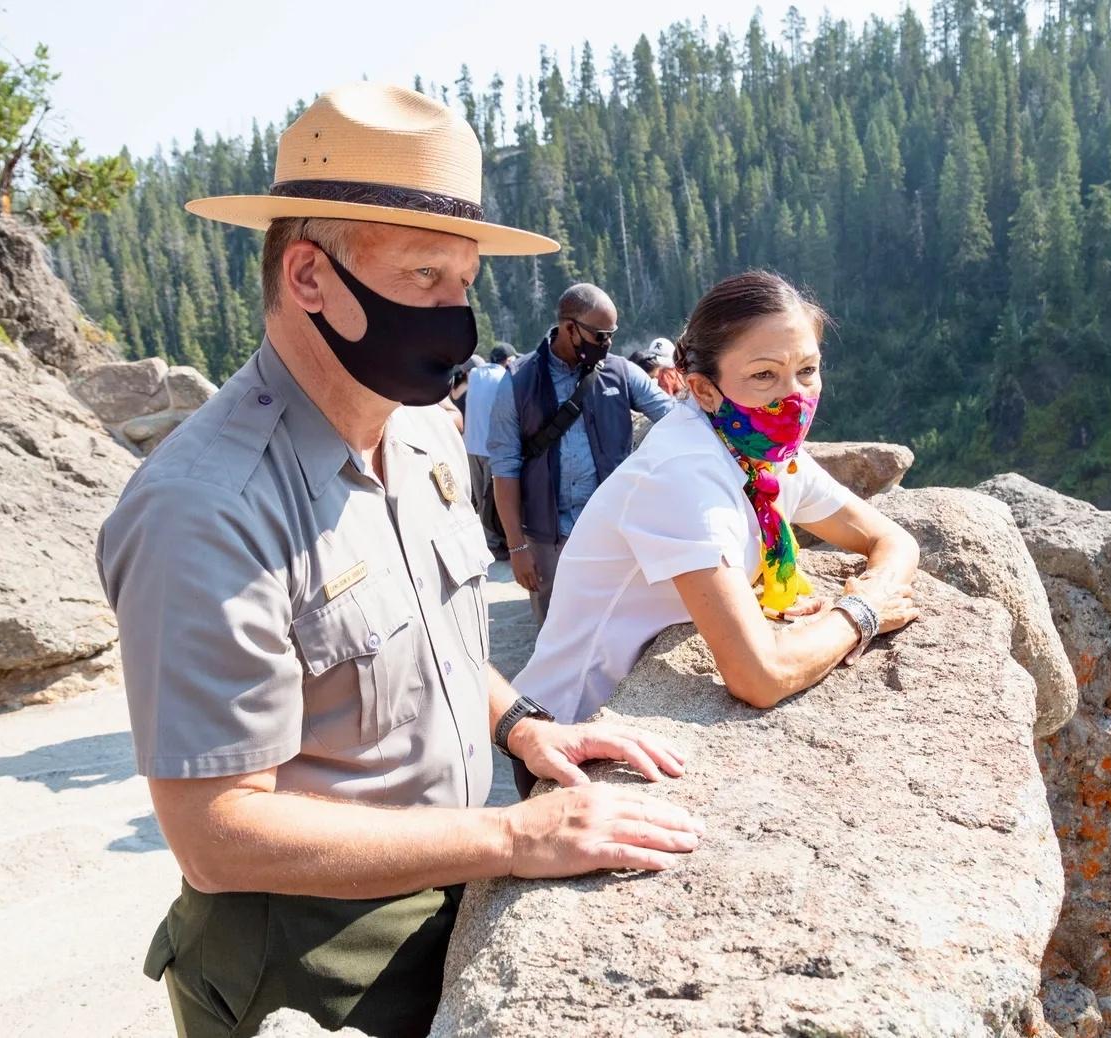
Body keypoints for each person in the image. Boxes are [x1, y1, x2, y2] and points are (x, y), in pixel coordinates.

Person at [96, 83, 700, 1038]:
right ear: (308, 278)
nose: (455, 315)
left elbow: (427, 641)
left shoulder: (418, 437)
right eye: (424, 279)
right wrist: (510, 835)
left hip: (443, 892)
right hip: (310, 964)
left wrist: (521, 727)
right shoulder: (206, 509)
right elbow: (217, 834)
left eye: (464, 282)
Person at [513, 270, 921, 735]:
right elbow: (760, 677)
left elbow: (890, 538)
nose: (795, 396)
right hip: (570, 727)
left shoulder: (760, 452)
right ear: (705, 390)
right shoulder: (681, 473)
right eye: (764, 375)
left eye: (807, 369)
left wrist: (879, 586)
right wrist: (863, 612)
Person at [488, 284, 675, 627]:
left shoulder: (620, 372)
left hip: (613, 529)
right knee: (554, 627)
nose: (607, 345)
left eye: (612, 335)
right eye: (601, 336)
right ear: (569, 327)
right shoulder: (518, 381)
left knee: (616, 624)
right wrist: (517, 549)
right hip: (547, 537)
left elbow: (672, 416)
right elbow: (505, 468)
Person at [463, 344, 515, 555]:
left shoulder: (475, 374)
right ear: (507, 360)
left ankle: (485, 539)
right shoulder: (504, 376)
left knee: (477, 495)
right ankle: (492, 544)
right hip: (490, 447)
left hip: (470, 444)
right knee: (491, 498)